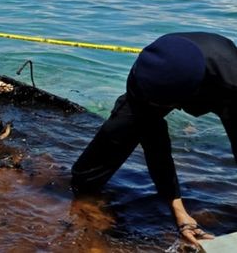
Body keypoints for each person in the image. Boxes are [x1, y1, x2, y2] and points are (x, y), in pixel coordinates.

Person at [71, 32, 237, 247]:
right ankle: (84, 202)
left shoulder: (231, 81)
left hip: (220, 83)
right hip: (156, 85)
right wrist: (179, 213)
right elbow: (156, 147)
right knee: (95, 160)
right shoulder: (145, 75)